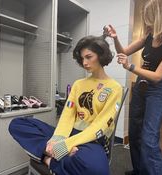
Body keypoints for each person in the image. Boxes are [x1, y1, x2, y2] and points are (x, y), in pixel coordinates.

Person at [8, 35, 122, 175]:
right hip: (68, 133)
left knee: (98, 170)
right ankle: (54, 153)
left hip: (92, 140)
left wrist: (67, 145)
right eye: (82, 58)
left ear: (101, 55)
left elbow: (101, 125)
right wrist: (58, 139)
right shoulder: (79, 84)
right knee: (17, 124)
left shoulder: (115, 88)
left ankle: (48, 159)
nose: (84, 62)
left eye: (89, 57)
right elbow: (67, 114)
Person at [104, 0, 162, 174]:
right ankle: (140, 170)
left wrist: (130, 67)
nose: (147, 24)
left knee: (149, 138)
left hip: (158, 89)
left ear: (160, 17)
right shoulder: (150, 35)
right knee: (134, 133)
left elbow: (158, 76)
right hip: (141, 86)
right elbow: (124, 52)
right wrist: (115, 37)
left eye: (149, 19)